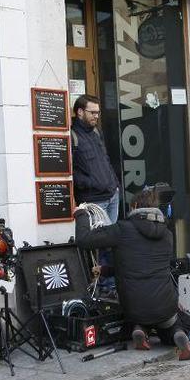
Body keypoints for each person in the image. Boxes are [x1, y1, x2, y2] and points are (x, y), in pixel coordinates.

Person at [74, 185, 190, 360]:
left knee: (140, 310)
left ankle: (140, 329)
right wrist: (106, 270)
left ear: (135, 207)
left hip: (134, 306)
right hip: (165, 304)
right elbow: (145, 266)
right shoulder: (167, 234)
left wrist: (81, 214)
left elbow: (84, 240)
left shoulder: (122, 229)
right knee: (179, 322)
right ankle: (177, 333)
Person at [71, 94, 120, 293]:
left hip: (111, 195)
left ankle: (113, 286)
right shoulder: (71, 136)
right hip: (93, 200)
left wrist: (114, 183)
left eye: (98, 113)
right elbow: (69, 172)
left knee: (114, 243)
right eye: (93, 112)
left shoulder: (96, 133)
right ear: (80, 112)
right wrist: (91, 183)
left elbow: (105, 160)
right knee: (103, 245)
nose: (96, 116)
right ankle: (105, 288)